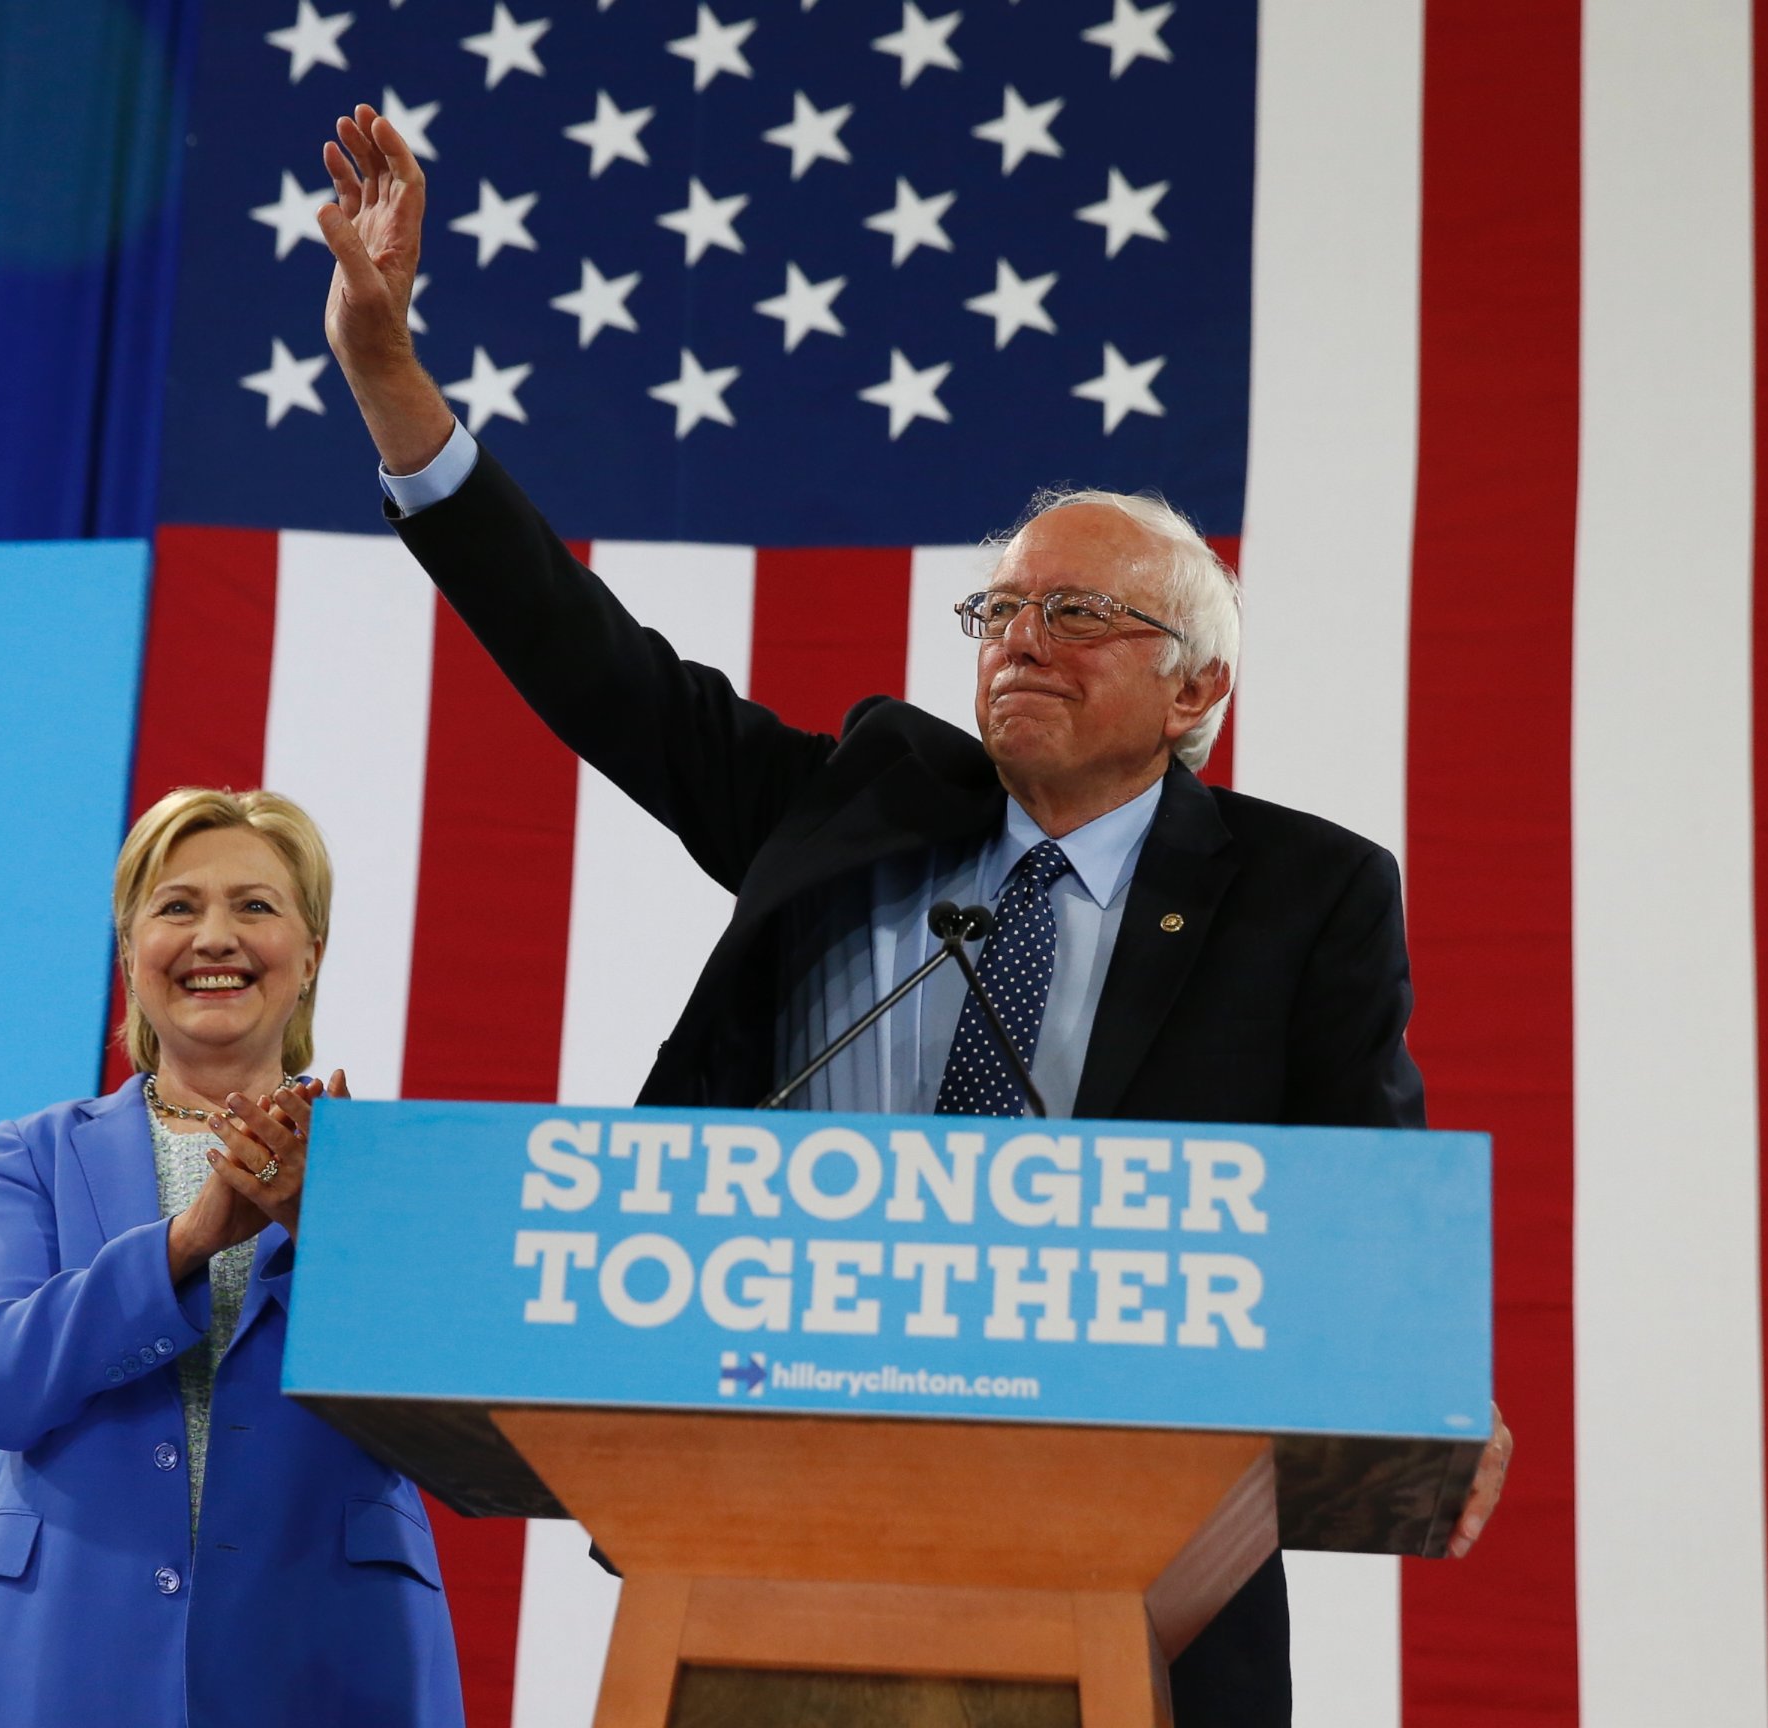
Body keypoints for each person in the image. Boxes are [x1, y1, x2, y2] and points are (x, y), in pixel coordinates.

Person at [310, 104, 1513, 1728]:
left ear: (1196, 689)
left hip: (1136, 1582)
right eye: (999, 608)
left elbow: (1352, 1202)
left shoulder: (1303, 898)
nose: (1020, 638)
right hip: (765, 1533)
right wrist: (395, 382)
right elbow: (602, 671)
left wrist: (1422, 1369)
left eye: (1078, 613)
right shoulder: (867, 804)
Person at [0, 788, 461, 1728]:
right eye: (177, 907)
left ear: (311, 956)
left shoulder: (390, 1166)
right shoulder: (38, 1153)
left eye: (255, 906)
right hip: (60, 1656)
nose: (216, 936)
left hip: (330, 1654)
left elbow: (455, 1425)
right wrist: (188, 1241)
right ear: (132, 956)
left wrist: (329, 1234)